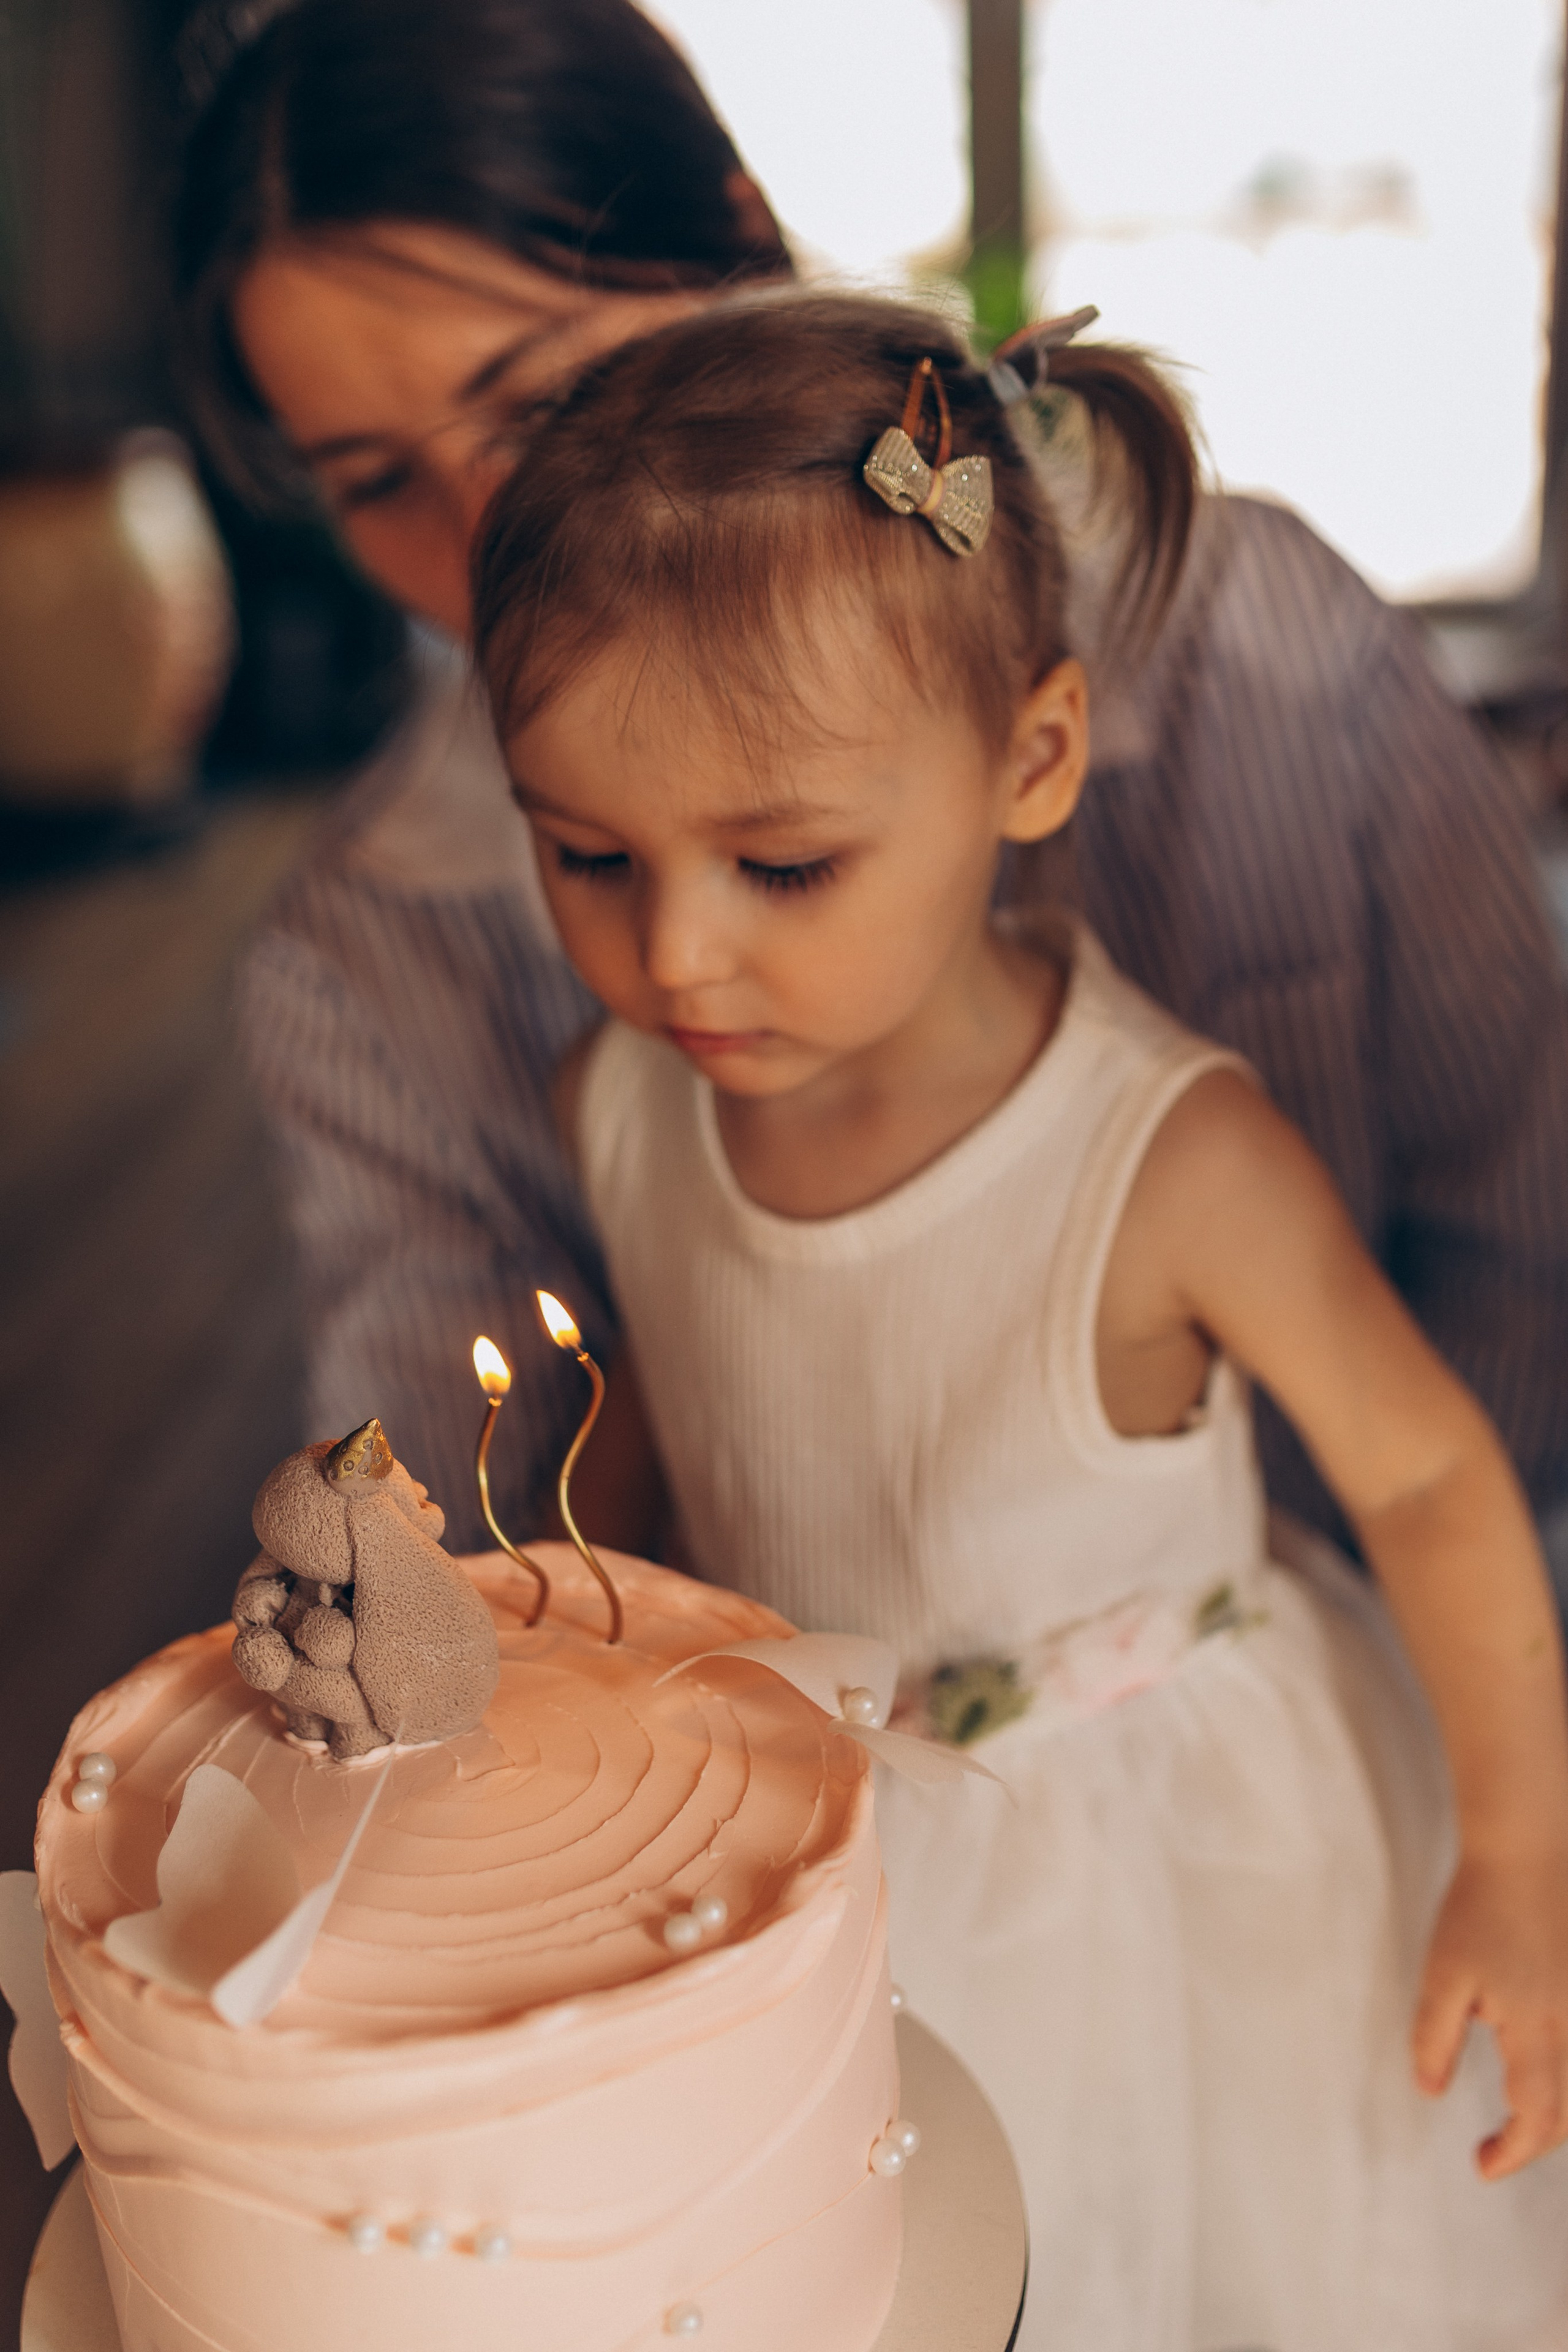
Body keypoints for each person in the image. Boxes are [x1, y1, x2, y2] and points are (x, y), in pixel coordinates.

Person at [469, 288, 1568, 2351]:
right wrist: (571, 1608)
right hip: (827, 1866)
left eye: (782, 862)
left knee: (1189, 2264)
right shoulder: (625, 1103)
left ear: (1032, 758)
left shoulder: (1168, 1160)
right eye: (587, 852)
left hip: (1165, 1868)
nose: (677, 948)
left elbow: (1422, 1471)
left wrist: (1521, 1850)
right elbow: (670, 1418)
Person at [174, 0, 1568, 1560]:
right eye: (373, 482)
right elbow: (475, 1520)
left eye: (544, 400)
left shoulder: (1275, 654)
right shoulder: (366, 963)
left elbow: (1516, 1261)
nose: (497, 536)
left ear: (740, 236)